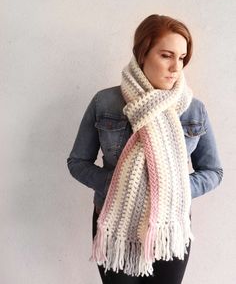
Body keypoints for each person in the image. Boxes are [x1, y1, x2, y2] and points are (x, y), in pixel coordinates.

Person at [67, 14, 223, 284]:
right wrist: (118, 185)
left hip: (169, 228)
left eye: (182, 58)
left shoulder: (193, 108)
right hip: (114, 222)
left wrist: (175, 188)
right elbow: (77, 162)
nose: (176, 67)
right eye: (166, 55)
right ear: (142, 54)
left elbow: (213, 171)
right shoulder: (105, 102)